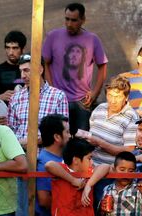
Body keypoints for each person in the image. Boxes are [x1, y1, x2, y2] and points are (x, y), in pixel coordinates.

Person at [42, 2, 108, 133]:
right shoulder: (53, 36)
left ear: (83, 20)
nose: (69, 24)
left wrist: (95, 93)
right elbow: (45, 64)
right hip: (58, 99)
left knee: (81, 142)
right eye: (67, 19)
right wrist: (51, 90)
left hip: (82, 101)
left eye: (74, 20)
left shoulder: (92, 39)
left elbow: (102, 65)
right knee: (57, 139)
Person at [7, 54, 69, 147]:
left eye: (26, 70)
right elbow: (10, 132)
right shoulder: (15, 98)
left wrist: (32, 141)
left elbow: (63, 132)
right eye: (21, 71)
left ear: (40, 69)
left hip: (46, 156)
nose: (22, 76)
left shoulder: (58, 96)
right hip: (20, 156)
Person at [86, 75, 138, 167]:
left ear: (126, 97)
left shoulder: (131, 117)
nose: (113, 101)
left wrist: (100, 143)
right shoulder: (100, 108)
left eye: (117, 97)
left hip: (110, 171)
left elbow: (129, 151)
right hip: (89, 167)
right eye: (110, 95)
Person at [0, 30, 27, 101]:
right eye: (8, 48)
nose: (11, 52)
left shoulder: (30, 69)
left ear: (23, 49)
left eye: (15, 48)